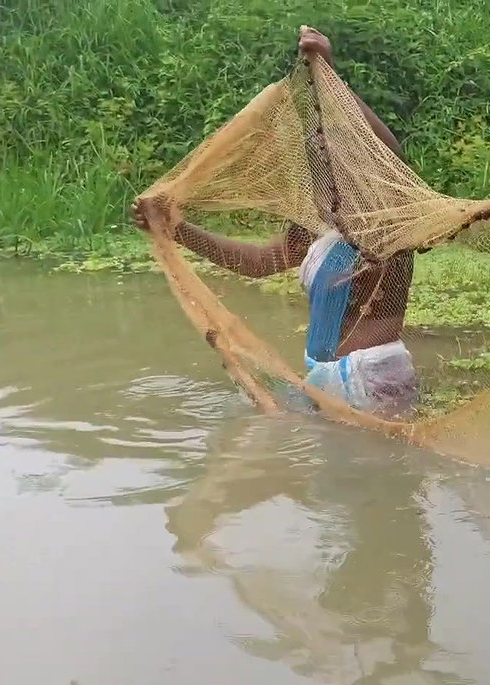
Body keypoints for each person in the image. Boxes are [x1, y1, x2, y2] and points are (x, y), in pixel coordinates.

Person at [133, 26, 419, 419]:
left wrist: (331, 78)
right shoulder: (320, 227)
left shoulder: (386, 223)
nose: (323, 162)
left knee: (371, 459)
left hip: (375, 379)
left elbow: (391, 156)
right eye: (317, 156)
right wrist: (177, 229)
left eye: (333, 154)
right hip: (326, 378)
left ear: (357, 163)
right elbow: (260, 262)